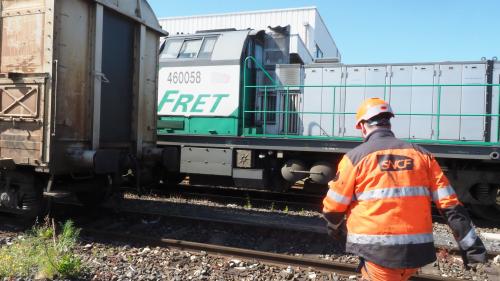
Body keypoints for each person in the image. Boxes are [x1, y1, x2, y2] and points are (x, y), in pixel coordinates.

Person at [322, 98, 487, 281]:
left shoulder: (354, 158)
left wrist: (336, 230)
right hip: (416, 252)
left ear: (362, 126)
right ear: (388, 122)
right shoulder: (422, 155)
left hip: (376, 253)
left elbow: (332, 208)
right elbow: (451, 206)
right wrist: (472, 248)